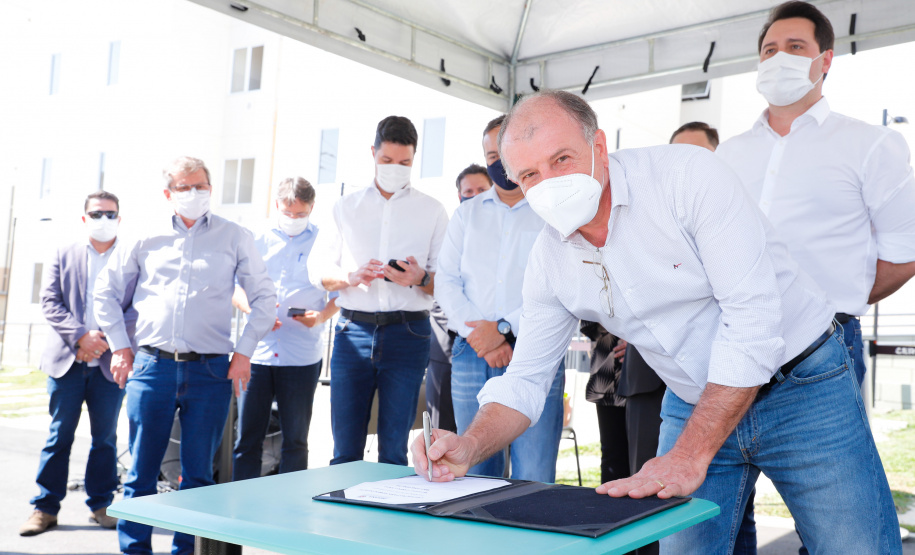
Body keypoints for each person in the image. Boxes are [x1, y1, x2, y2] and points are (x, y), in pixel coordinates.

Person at [412, 90, 901, 554]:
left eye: (562, 159)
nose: (551, 183)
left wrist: (690, 454)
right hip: (692, 401)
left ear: (598, 146)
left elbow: (752, 323)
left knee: (855, 546)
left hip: (803, 387)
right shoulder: (548, 259)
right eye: (530, 176)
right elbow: (525, 379)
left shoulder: (687, 178)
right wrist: (470, 445)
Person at [717, 1, 915, 389]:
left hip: (826, 344)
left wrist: (831, 303)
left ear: (825, 61)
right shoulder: (729, 153)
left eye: (795, 47)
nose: (778, 58)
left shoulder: (871, 145)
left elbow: (905, 254)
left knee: (822, 454)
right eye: (769, 50)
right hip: (734, 341)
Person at [94, 156, 276, 555]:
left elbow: (264, 298)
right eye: (184, 187)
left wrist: (244, 352)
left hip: (211, 372)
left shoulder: (235, 236)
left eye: (201, 186)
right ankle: (134, 550)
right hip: (150, 366)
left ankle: (184, 551)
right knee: (141, 472)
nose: (194, 194)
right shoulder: (144, 235)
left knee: (198, 477)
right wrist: (120, 346)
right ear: (168, 193)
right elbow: (105, 292)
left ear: (211, 188)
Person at [308, 116, 449, 467]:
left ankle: (389, 518)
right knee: (344, 450)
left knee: (394, 451)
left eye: (404, 163)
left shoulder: (432, 210)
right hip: (352, 331)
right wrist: (350, 277)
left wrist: (418, 278)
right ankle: (341, 520)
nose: (395, 169)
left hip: (409, 333)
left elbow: (447, 283)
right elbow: (318, 273)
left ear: (414, 159)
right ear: (373, 153)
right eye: (387, 161)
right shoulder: (345, 207)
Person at [435, 115, 562, 482]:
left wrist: (504, 330)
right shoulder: (466, 214)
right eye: (489, 154)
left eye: (502, 153)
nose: (496, 163)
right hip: (471, 351)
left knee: (534, 473)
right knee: (471, 469)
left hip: (534, 350)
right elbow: (446, 281)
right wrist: (482, 336)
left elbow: (560, 284)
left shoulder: (551, 213)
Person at [20, 191, 137, 537]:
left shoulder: (132, 257)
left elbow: (136, 306)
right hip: (66, 361)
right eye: (97, 213)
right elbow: (50, 300)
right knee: (59, 436)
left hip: (109, 361)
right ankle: (44, 508)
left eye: (110, 214)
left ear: (120, 217)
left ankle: (101, 505)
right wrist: (81, 337)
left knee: (105, 438)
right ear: (84, 217)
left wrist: (102, 340)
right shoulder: (64, 252)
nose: (104, 219)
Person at [231, 177, 338, 481]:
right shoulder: (255, 237)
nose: (293, 220)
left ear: (311, 208)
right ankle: (240, 507)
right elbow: (234, 286)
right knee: (247, 439)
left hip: (301, 356)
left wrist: (319, 318)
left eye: (300, 214)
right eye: (287, 213)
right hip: (258, 353)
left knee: (295, 440)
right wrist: (254, 310)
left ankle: (288, 510)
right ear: (276, 205)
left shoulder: (324, 241)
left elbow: (340, 296)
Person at [427, 165, 492, 432]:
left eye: (481, 190)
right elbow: (444, 281)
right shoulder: (452, 226)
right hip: (448, 336)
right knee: (444, 426)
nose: (474, 196)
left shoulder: (506, 231)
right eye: (468, 191)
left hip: (493, 339)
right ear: (459, 196)